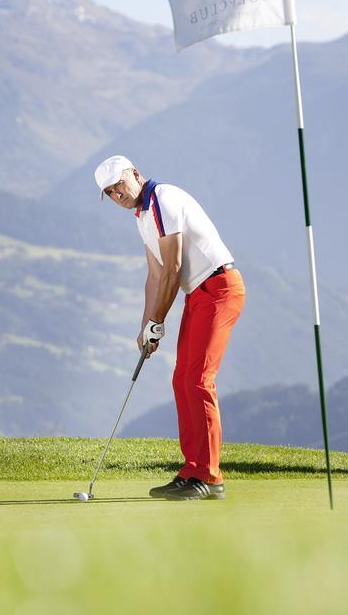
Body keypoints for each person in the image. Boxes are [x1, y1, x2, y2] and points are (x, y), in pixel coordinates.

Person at [94, 154, 245, 501]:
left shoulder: (162, 198)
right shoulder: (142, 217)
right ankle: (192, 469)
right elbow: (155, 275)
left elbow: (174, 268)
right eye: (111, 193)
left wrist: (158, 322)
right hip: (200, 294)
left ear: (134, 173)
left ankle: (210, 477)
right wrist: (146, 326)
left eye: (120, 184)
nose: (118, 195)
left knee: (198, 379)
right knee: (182, 379)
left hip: (220, 288)